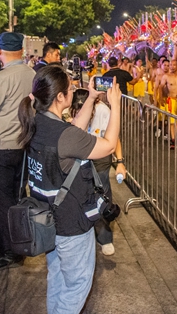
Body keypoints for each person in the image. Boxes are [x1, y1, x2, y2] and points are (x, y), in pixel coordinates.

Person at [17, 65, 122, 314]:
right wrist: (116, 105)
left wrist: (92, 98)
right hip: (70, 223)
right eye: (71, 88)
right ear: (60, 97)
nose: (75, 91)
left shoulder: (37, 122)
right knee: (76, 286)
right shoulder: (62, 135)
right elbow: (107, 146)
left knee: (58, 277)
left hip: (48, 217)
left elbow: (72, 131)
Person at [0, 32, 36, 271]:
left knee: (0, 202)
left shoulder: (0, 78)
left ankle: (8, 252)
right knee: (16, 197)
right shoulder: (32, 74)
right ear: (21, 50)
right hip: (22, 147)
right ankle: (20, 246)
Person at [69, 88, 127, 256]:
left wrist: (120, 162)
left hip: (100, 159)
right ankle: (81, 234)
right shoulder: (66, 112)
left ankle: (104, 238)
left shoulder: (103, 111)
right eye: (76, 111)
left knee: (101, 198)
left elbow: (114, 138)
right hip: (77, 158)